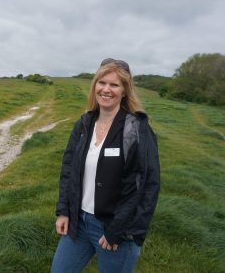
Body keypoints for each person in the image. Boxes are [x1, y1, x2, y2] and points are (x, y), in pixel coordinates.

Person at [51, 58, 160, 273]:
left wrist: (119, 230)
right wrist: (64, 211)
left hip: (115, 228)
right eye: (102, 83)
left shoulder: (137, 129)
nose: (106, 89)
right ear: (95, 86)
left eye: (114, 84)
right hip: (79, 223)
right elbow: (69, 171)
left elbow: (147, 185)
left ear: (125, 91)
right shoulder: (84, 124)